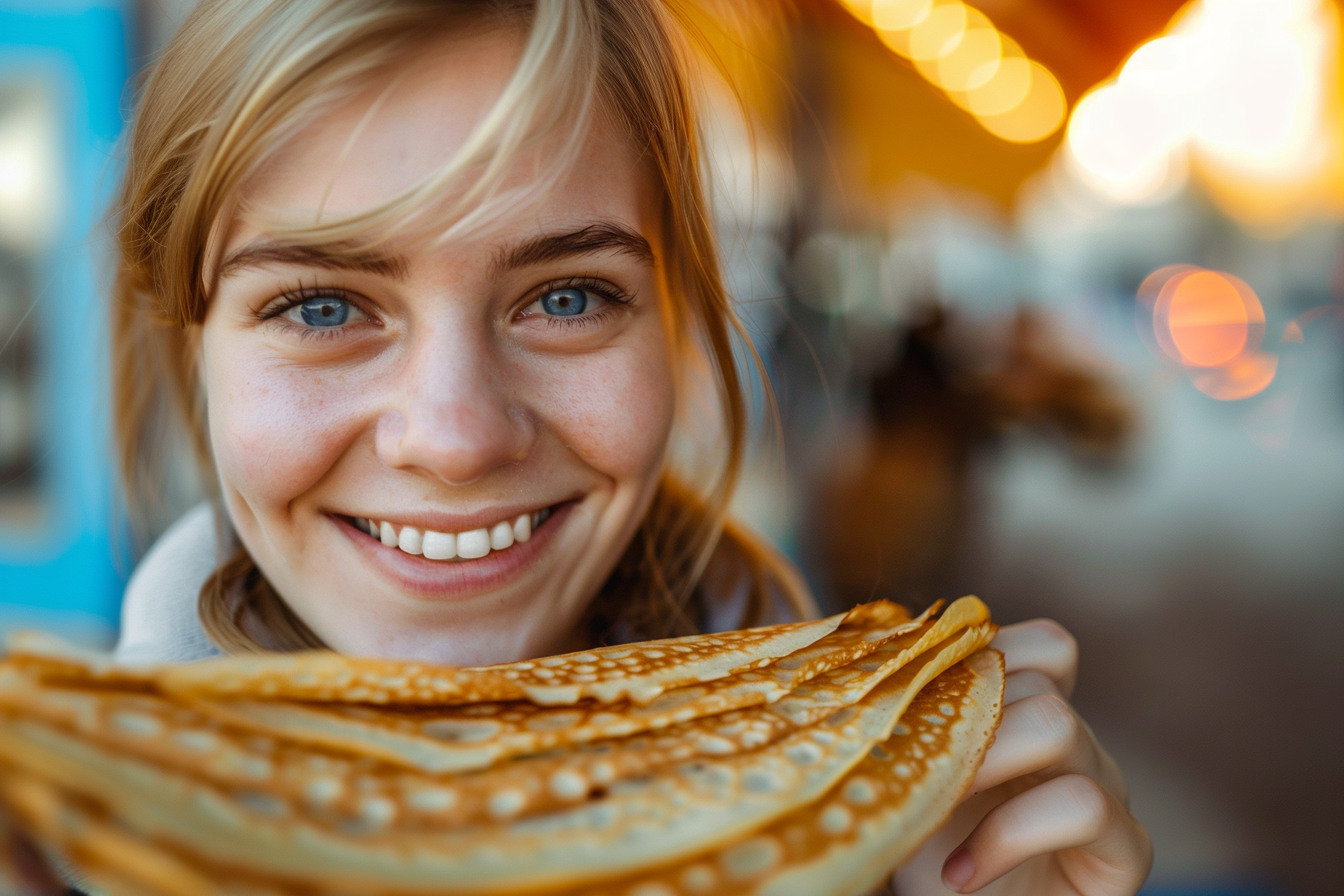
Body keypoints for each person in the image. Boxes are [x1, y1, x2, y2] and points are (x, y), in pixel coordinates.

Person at [98, 1, 1153, 893]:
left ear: (678, 328)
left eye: (566, 297)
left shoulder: (874, 831)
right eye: (322, 307)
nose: (456, 440)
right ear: (191, 342)